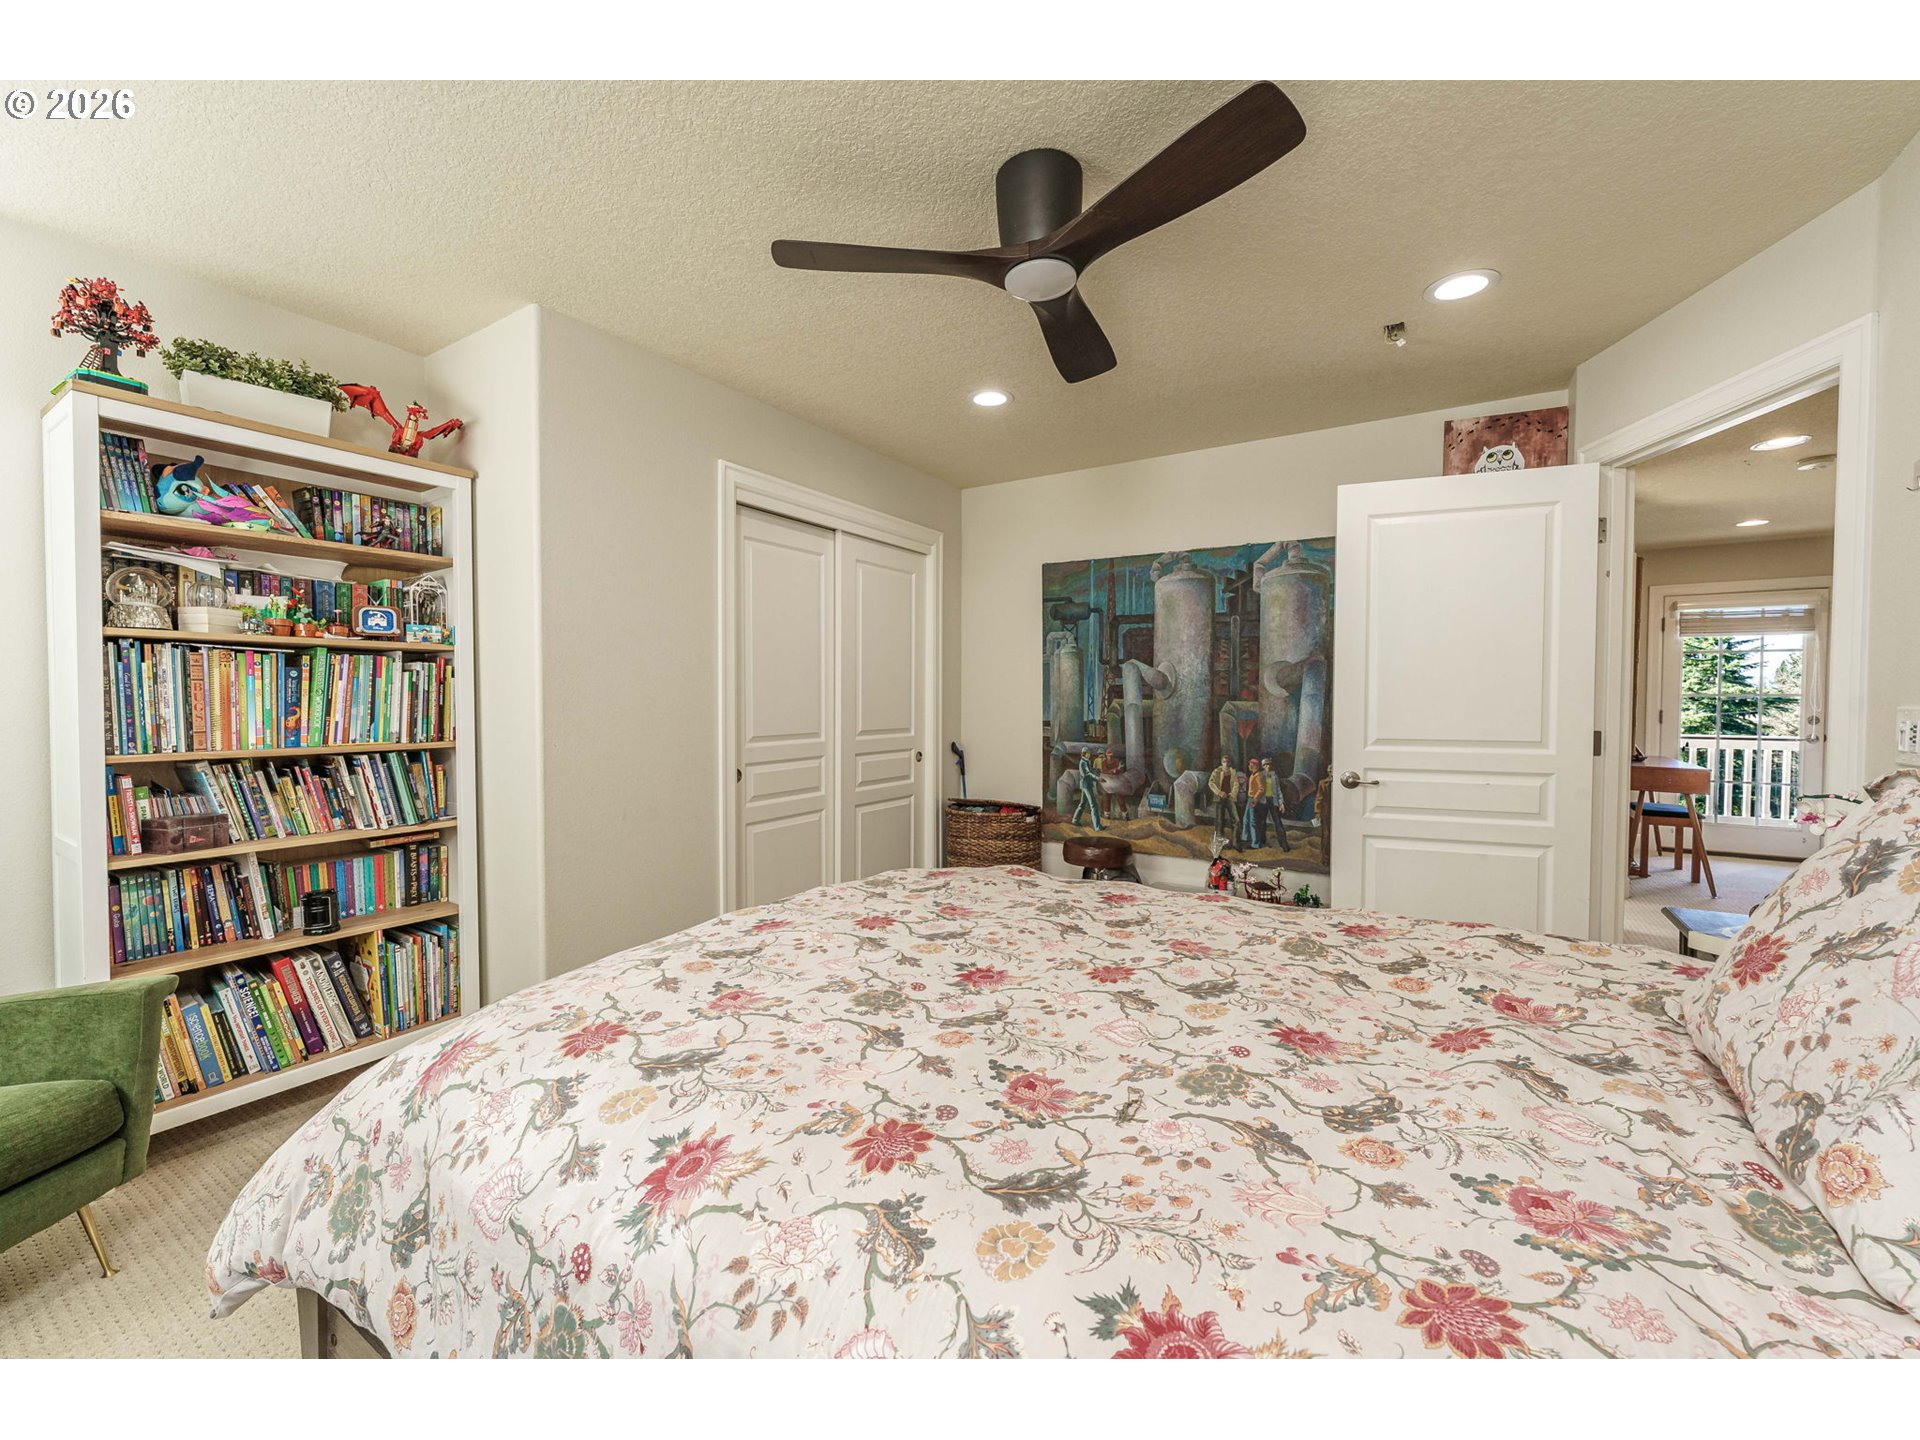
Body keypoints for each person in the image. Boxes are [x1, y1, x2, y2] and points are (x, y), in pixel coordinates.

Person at [1071, 751, 1103, 831]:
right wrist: (1098, 779)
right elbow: (1088, 774)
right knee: (1093, 805)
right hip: (1086, 785)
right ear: (1084, 754)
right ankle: (1097, 827)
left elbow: (1089, 772)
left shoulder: (1086, 761)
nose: (1089, 754)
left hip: (1086, 785)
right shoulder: (1083, 763)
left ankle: (1075, 820)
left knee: (1082, 803)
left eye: (1089, 753)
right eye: (1087, 753)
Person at [1209, 757, 1236, 845]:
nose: (1226, 763)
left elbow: (1236, 784)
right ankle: (1219, 840)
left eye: (1227, 762)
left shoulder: (1233, 772)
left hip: (1229, 797)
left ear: (1230, 763)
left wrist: (1232, 794)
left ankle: (1236, 842)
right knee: (1220, 820)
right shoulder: (1217, 771)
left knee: (1236, 820)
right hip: (1220, 798)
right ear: (1221, 763)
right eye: (1224, 762)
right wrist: (1219, 792)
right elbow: (1211, 783)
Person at [1240, 757, 1265, 849]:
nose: (1249, 766)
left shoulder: (1258, 776)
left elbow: (1261, 789)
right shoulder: (1252, 775)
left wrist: (1255, 800)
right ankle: (1245, 839)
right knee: (1246, 819)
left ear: (1255, 766)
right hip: (1250, 798)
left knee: (1252, 821)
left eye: (1250, 764)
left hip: (1253, 799)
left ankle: (1255, 844)